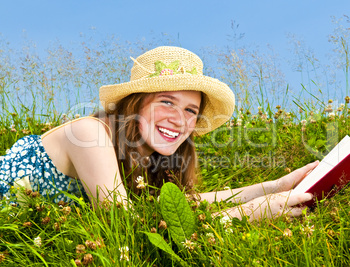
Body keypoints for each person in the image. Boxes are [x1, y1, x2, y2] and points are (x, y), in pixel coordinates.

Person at [0, 46, 318, 221]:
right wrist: (243, 215)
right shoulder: (90, 133)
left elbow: (183, 205)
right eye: (167, 101)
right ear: (135, 105)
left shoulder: (149, 157)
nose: (179, 119)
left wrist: (274, 186)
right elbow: (125, 224)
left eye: (191, 110)